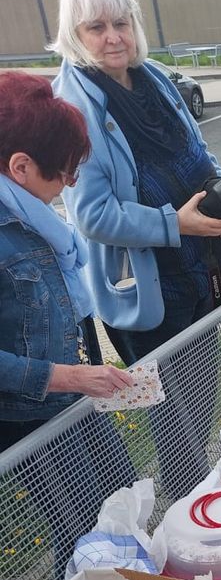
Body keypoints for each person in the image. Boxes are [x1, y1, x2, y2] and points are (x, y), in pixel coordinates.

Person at [52, 0, 221, 367]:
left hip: (200, 264)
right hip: (149, 291)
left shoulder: (152, 76)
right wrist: (176, 224)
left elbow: (199, 148)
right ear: (74, 35)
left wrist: (219, 194)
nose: (113, 37)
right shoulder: (70, 110)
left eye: (121, 23)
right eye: (96, 27)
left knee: (203, 392)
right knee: (173, 414)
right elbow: (92, 216)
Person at [0, 72, 133, 453]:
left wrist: (80, 376)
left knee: (120, 492)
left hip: (74, 394)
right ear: (21, 167)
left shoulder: (29, 209)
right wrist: (68, 377)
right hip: (29, 418)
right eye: (64, 171)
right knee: (92, 510)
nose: (71, 183)